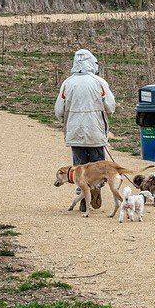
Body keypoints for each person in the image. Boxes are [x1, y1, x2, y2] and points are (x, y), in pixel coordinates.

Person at [54, 49, 116, 212]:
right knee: (97, 165)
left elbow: (58, 110)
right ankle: (96, 188)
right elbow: (110, 106)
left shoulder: (67, 83)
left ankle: (82, 192)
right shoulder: (99, 82)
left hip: (75, 133)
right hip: (95, 132)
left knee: (79, 167)